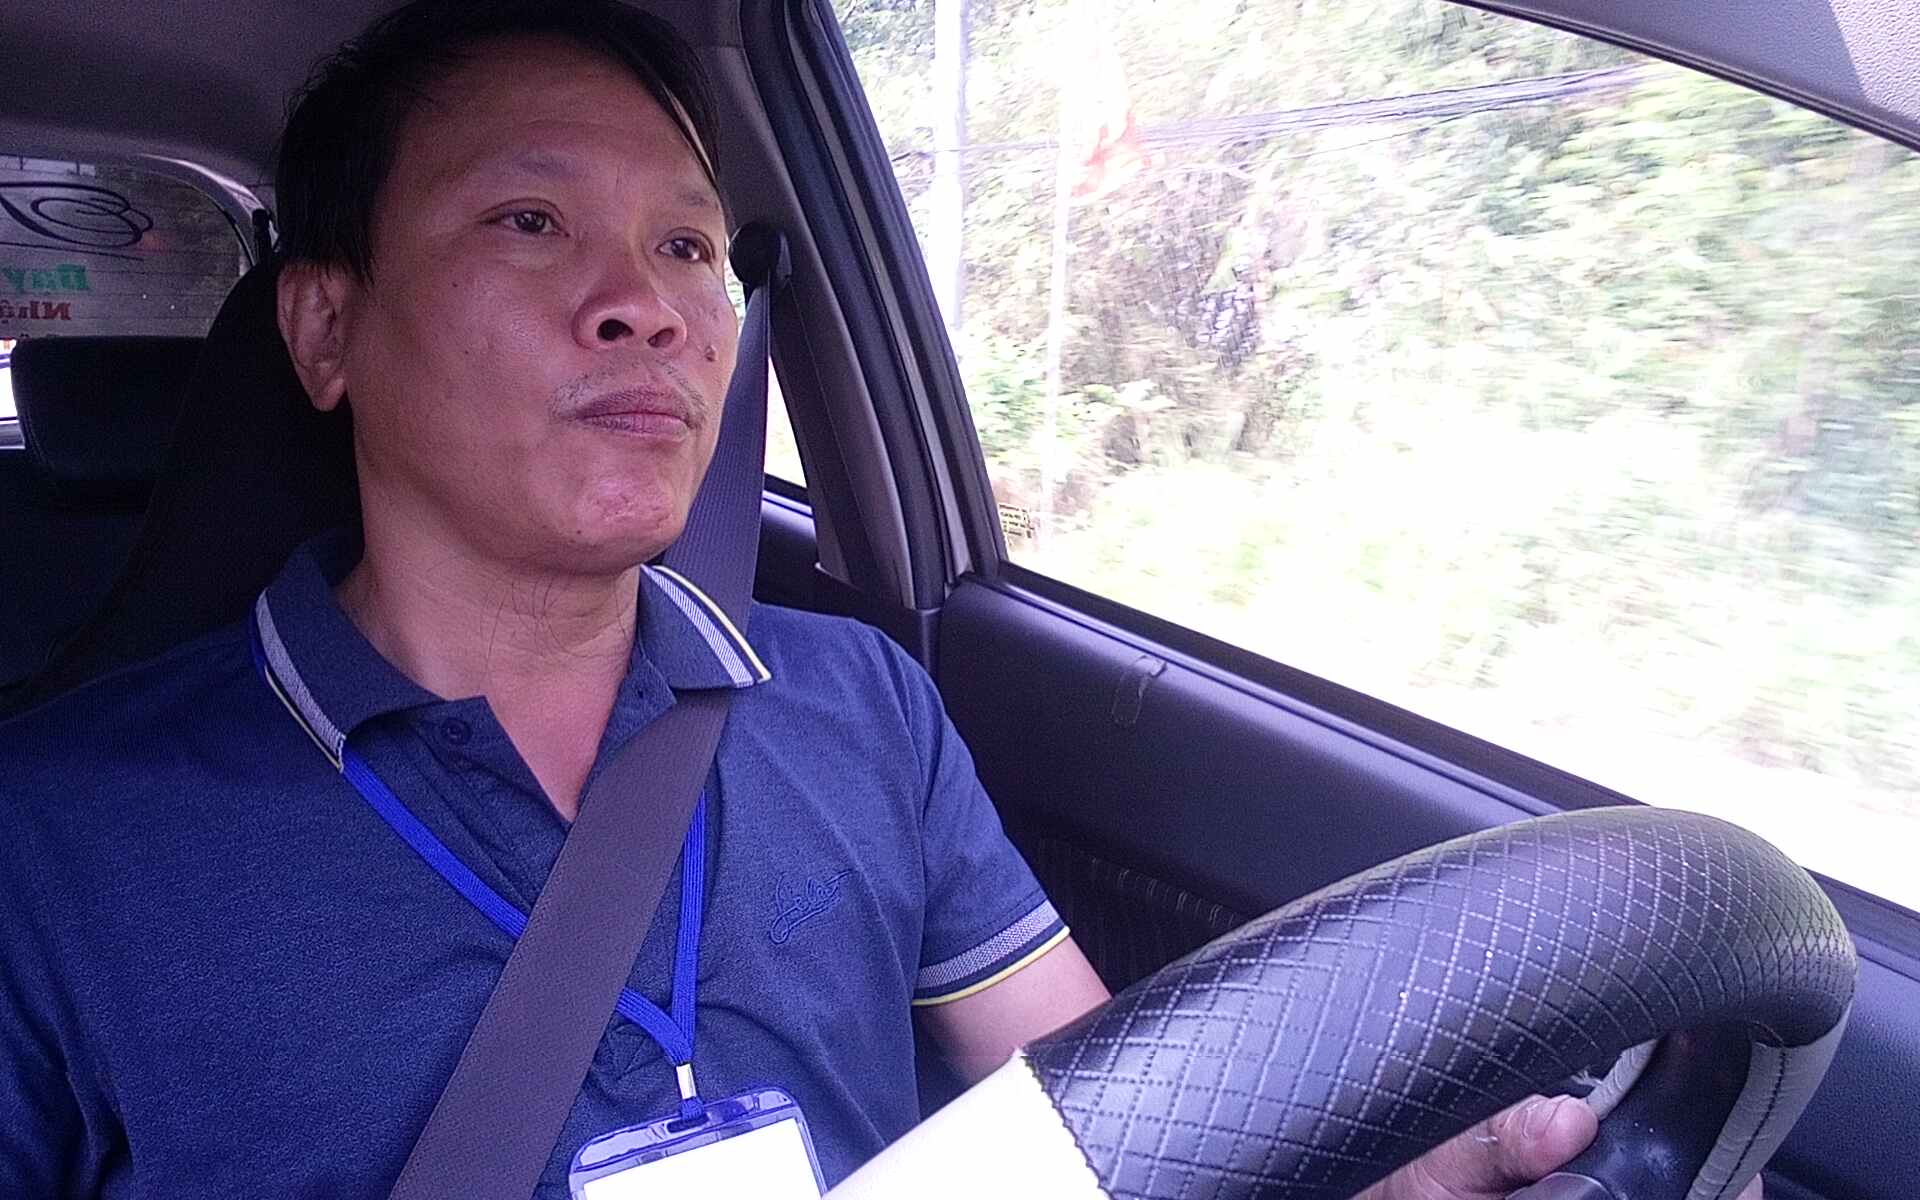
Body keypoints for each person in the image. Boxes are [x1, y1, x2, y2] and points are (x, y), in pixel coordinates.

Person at [0, 2, 1754, 1197]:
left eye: (689, 245)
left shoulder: (856, 704)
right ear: (325, 328)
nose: (646, 303)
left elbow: (1100, 1116)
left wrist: (1387, 1173)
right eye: (529, 222)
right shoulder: (57, 840)